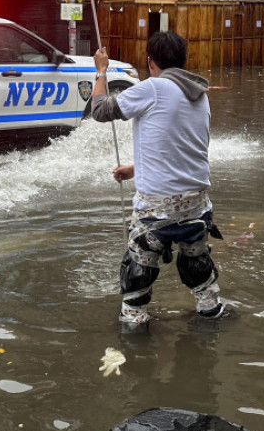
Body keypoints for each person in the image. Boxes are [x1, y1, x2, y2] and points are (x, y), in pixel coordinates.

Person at [92, 31, 225, 326]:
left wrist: (101, 71)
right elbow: (183, 147)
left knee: (137, 270)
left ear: (150, 62)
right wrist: (137, 168)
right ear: (183, 61)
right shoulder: (199, 93)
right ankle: (211, 312)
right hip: (198, 206)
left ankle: (135, 328)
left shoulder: (152, 88)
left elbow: (99, 111)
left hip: (157, 209)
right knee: (198, 265)